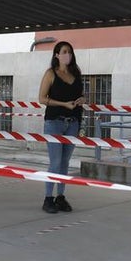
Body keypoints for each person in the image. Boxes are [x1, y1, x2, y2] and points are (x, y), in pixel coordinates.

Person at [38, 41, 84, 213]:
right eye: (64, 51)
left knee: (65, 162)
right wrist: (63, 104)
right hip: (54, 122)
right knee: (55, 161)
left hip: (73, 122)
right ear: (56, 55)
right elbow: (42, 98)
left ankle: (61, 196)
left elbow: (80, 94)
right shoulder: (50, 74)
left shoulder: (76, 73)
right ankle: (48, 198)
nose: (68, 55)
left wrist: (82, 100)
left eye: (70, 52)